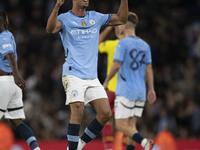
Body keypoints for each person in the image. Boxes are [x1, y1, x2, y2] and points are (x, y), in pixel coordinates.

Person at [46, 0, 128, 149]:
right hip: (73, 74)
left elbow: (122, 18)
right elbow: (50, 29)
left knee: (105, 113)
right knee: (78, 108)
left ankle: (79, 144)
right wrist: (57, 6)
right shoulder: (65, 18)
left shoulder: (95, 17)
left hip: (91, 77)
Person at [103, 12, 156, 150]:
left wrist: (106, 81)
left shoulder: (123, 43)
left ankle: (145, 142)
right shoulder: (145, 45)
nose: (118, 26)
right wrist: (151, 89)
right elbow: (149, 68)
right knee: (131, 126)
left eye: (120, 23)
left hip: (126, 91)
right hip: (140, 92)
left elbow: (116, 65)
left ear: (125, 26)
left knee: (120, 125)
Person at [0, 11, 40, 150]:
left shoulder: (3, 36)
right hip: (12, 84)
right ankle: (36, 148)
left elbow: (10, 55)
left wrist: (17, 75)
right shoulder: (9, 35)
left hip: (5, 81)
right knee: (16, 121)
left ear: (3, 22)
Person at [99, 26, 127, 150]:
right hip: (126, 91)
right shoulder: (133, 46)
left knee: (107, 120)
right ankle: (125, 147)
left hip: (111, 89)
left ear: (116, 31)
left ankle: (109, 148)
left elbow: (96, 44)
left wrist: (108, 28)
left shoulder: (111, 45)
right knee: (125, 122)